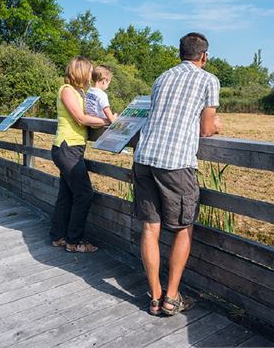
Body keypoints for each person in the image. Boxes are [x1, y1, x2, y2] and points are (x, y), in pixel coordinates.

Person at [132, 32, 222, 316]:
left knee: (150, 228)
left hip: (144, 158)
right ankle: (171, 298)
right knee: (183, 228)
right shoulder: (208, 80)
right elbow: (206, 129)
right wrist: (217, 125)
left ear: (180, 53)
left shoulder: (162, 77)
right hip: (175, 162)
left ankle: (155, 297)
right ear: (204, 56)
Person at [50, 56, 110, 253]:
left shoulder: (80, 92)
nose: (91, 74)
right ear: (81, 71)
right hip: (67, 147)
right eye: (89, 71)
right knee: (84, 194)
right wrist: (109, 121)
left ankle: (58, 236)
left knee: (66, 193)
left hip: (73, 148)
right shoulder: (66, 90)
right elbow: (80, 117)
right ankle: (74, 241)